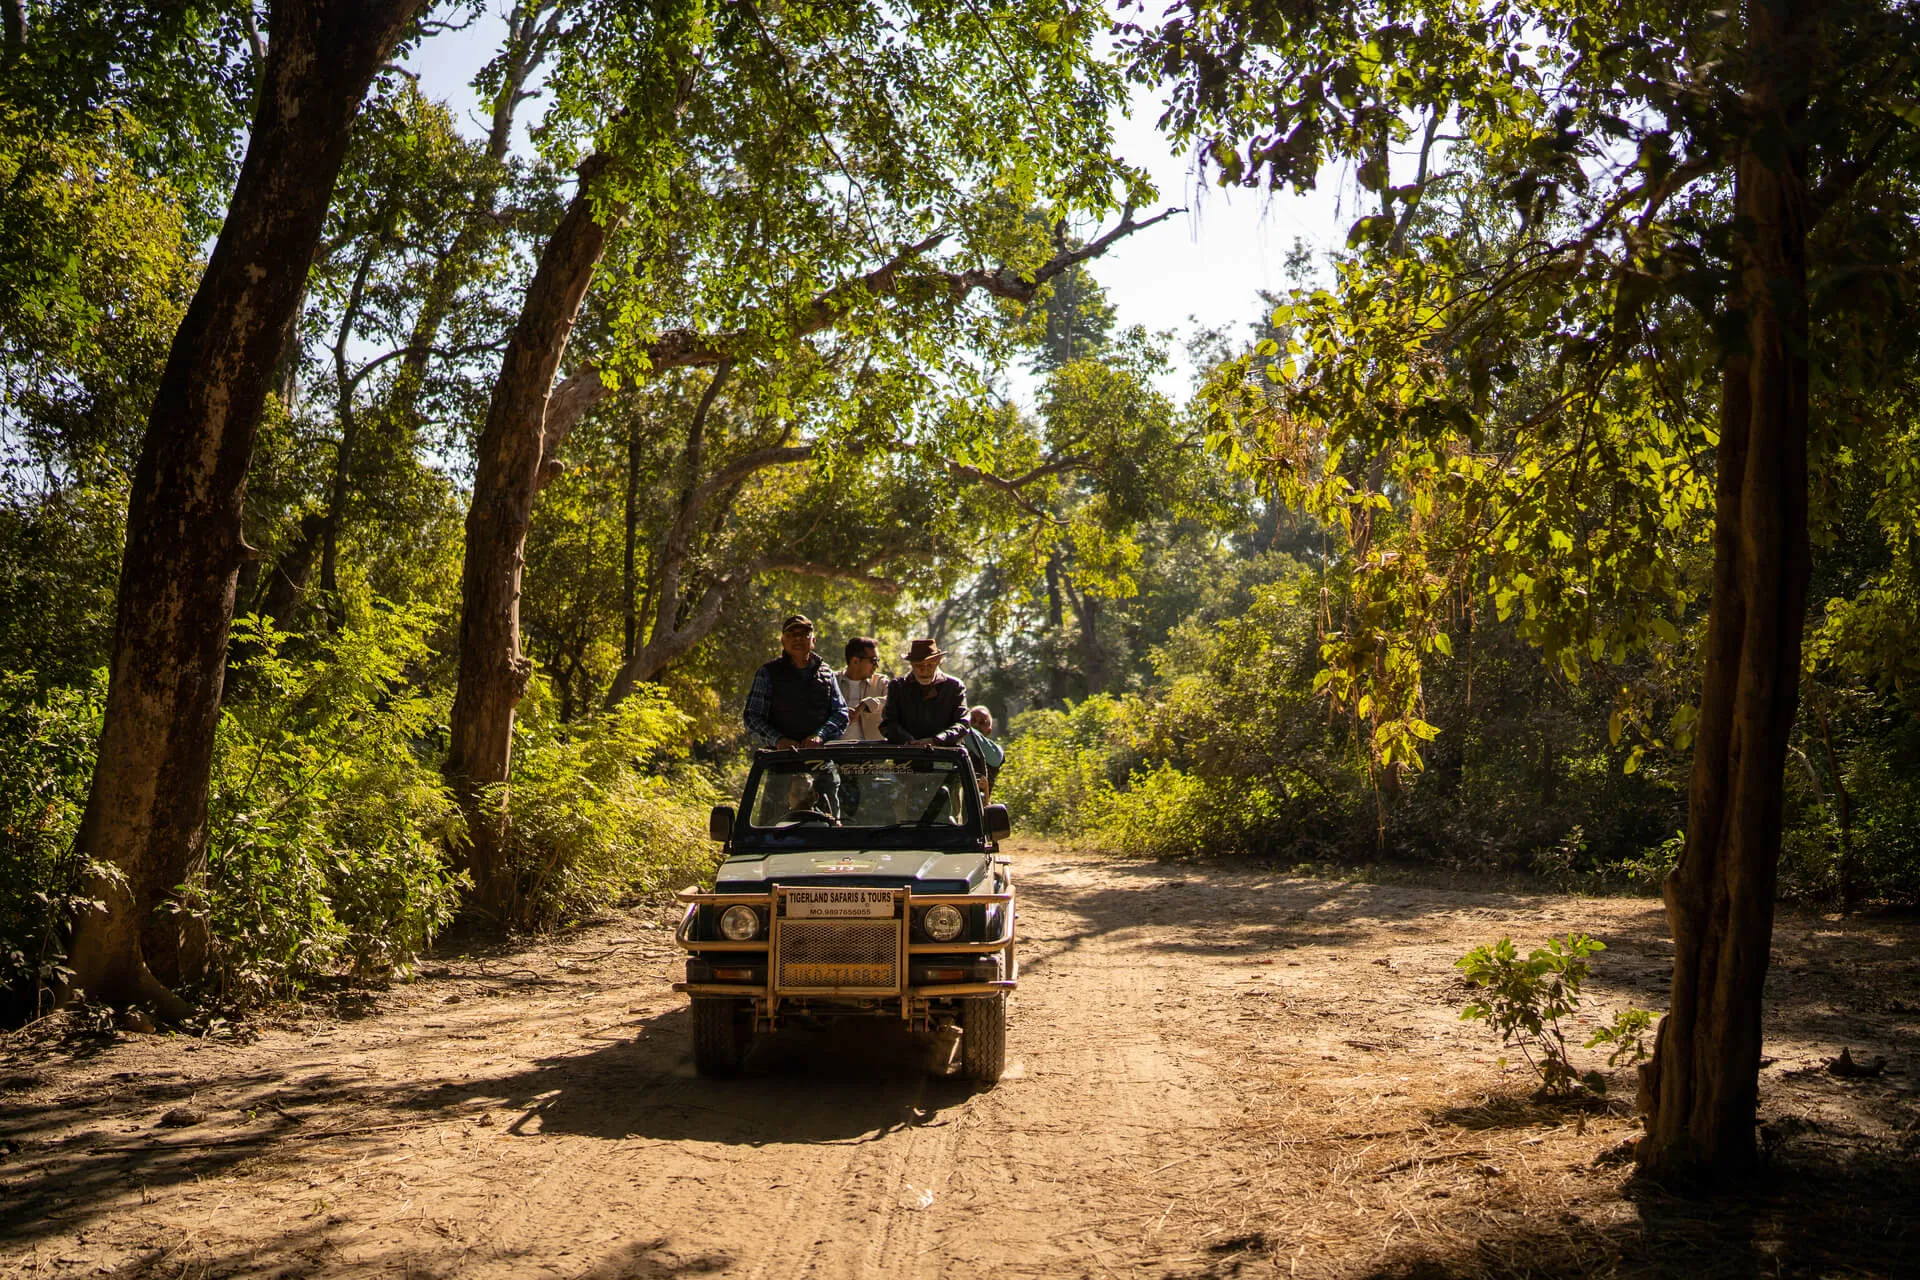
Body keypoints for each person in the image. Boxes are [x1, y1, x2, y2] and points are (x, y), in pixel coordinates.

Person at [743, 615, 849, 749]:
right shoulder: (767, 673)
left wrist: (820, 735)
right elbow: (752, 717)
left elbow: (841, 713)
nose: (797, 638)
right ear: (783, 640)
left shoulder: (826, 673)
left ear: (813, 641)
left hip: (820, 757)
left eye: (804, 634)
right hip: (779, 758)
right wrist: (779, 740)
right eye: (791, 634)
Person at [880, 637, 969, 747]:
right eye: (919, 665)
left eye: (930, 665)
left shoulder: (954, 687)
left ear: (938, 662)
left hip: (945, 755)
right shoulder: (897, 686)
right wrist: (909, 741)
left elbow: (963, 723)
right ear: (912, 664)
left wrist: (937, 740)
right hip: (907, 755)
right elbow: (888, 723)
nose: (925, 670)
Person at [833, 636, 889, 742]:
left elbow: (893, 701)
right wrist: (841, 713)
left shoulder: (881, 682)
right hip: (835, 753)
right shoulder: (832, 681)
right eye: (873, 660)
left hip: (872, 754)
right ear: (855, 661)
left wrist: (867, 704)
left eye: (878, 660)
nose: (877, 665)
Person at [962, 706, 1005, 799]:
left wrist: (960, 725)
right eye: (972, 720)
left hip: (973, 808)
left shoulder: (995, 752)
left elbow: (995, 759)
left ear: (989, 731)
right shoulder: (954, 744)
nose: (976, 724)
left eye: (982, 723)